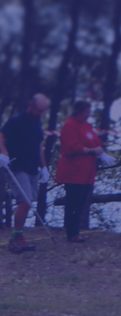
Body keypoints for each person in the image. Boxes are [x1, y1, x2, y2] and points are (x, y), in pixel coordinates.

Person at [0, 93, 51, 253]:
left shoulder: (37, 123)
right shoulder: (16, 121)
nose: (40, 114)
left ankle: (18, 236)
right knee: (25, 201)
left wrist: (44, 167)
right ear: (31, 105)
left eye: (42, 112)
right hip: (18, 167)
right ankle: (17, 237)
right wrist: (4, 153)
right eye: (38, 110)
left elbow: (39, 146)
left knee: (29, 202)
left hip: (33, 168)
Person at [55, 100, 103, 243]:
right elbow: (71, 148)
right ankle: (72, 234)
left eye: (89, 112)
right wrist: (92, 151)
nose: (88, 115)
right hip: (73, 171)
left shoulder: (86, 126)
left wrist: (100, 151)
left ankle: (76, 232)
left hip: (86, 172)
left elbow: (95, 142)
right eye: (86, 112)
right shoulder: (69, 126)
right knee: (73, 202)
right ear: (78, 112)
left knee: (81, 202)